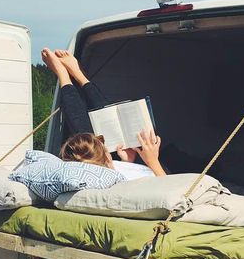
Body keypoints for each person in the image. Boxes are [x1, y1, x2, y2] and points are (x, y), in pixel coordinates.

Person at [41, 48, 166, 179]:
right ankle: (77, 77)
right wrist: (145, 161)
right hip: (144, 170)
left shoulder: (104, 176)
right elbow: (172, 191)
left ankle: (66, 76)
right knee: (99, 126)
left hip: (112, 168)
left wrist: (139, 161)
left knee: (89, 137)